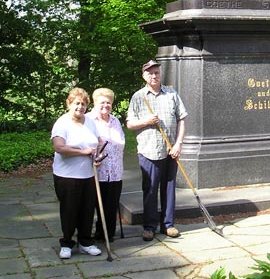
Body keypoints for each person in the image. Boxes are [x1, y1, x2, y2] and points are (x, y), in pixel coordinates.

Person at [126, 59, 188, 241]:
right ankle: (149, 227)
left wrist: (178, 144)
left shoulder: (171, 94)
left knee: (169, 189)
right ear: (144, 76)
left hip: (170, 151)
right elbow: (130, 124)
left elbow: (182, 119)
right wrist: (147, 121)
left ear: (160, 74)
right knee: (150, 190)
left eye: (156, 72)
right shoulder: (138, 97)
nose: (154, 76)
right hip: (149, 151)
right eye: (150, 73)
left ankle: (168, 225)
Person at [51, 87, 103, 259]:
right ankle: (66, 243)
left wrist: (98, 156)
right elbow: (59, 147)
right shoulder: (62, 123)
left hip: (88, 174)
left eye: (83, 103)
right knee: (69, 210)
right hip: (67, 176)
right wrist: (83, 152)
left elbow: (98, 143)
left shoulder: (90, 122)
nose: (80, 107)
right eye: (76, 103)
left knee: (87, 210)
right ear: (69, 104)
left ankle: (85, 242)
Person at [86, 88, 125, 243]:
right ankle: (86, 235)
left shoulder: (115, 121)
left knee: (111, 205)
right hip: (95, 171)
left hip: (115, 171)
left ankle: (106, 233)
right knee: (91, 205)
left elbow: (120, 144)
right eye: (102, 102)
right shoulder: (88, 120)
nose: (106, 105)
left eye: (108, 102)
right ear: (95, 103)